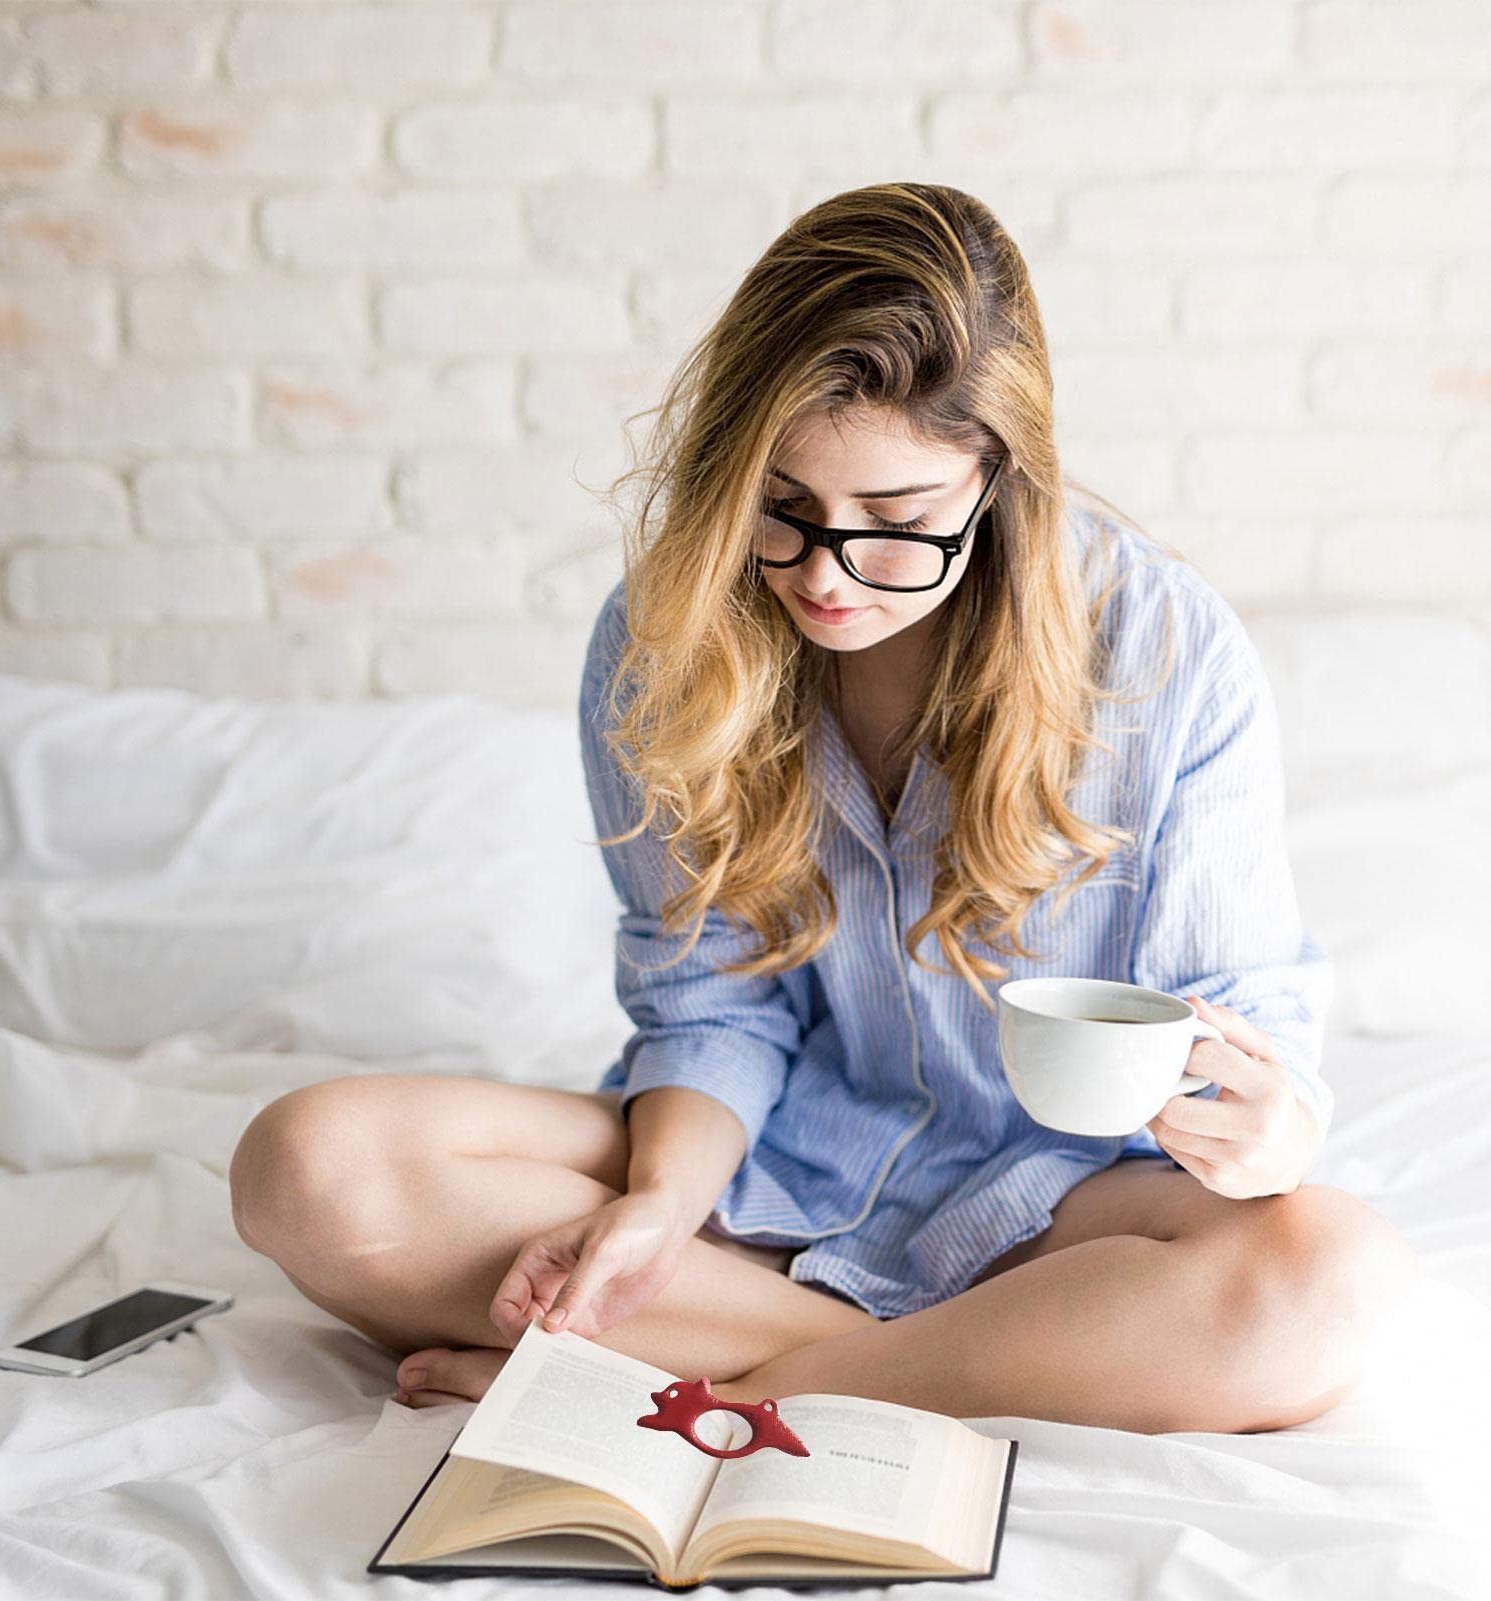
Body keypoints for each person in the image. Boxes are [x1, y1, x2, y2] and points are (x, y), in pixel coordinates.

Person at [228, 183, 1417, 1436]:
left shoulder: (1163, 647)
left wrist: (1267, 1132)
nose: (822, 577)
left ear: (996, 486)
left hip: (1060, 1207)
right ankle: (967, 1363)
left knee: (1329, 1282)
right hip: (762, 1171)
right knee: (308, 1166)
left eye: (897, 526)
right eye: (780, 507)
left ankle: (707, 1387)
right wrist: (659, 1208)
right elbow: (709, 997)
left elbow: (1230, 1017)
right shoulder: (662, 636)